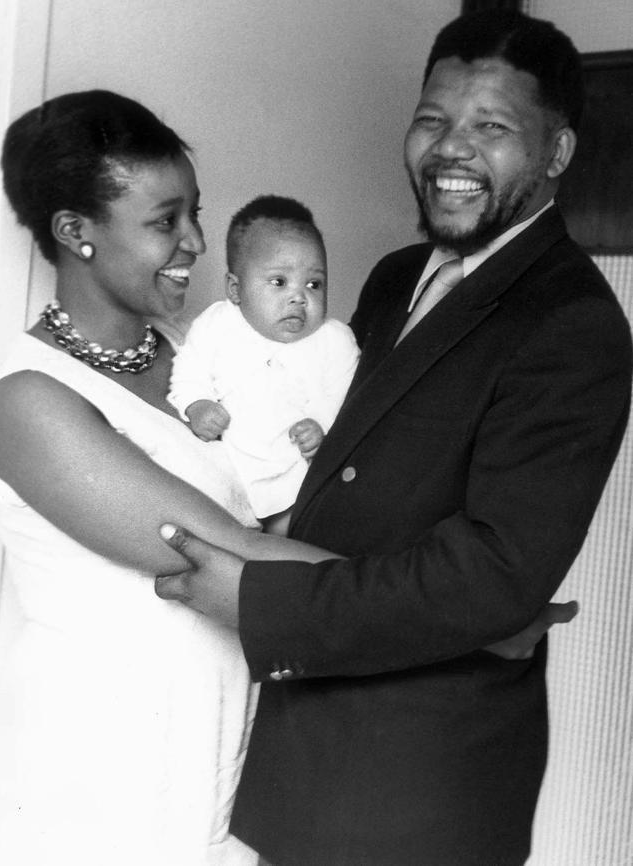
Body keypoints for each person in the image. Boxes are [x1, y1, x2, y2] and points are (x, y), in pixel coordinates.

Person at [154, 10, 633, 866]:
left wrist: (265, 600)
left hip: (424, 780)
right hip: (304, 743)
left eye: (492, 126)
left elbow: (492, 574)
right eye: (432, 120)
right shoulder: (391, 279)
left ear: (557, 152)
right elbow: (353, 474)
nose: (451, 149)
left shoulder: (575, 323)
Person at [0, 89, 349, 866]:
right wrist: (459, 614)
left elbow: (284, 505)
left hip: (220, 737)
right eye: (165, 221)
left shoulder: (201, 353)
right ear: (75, 232)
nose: (196, 241)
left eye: (194, 213)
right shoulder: (27, 401)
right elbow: (220, 549)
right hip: (103, 773)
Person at [168, 195, 359, 525]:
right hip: (233, 471)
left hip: (301, 476)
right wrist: (197, 404)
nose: (299, 297)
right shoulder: (218, 324)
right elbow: (188, 372)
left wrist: (322, 423)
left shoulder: (334, 340)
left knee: (304, 531)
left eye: (314, 284)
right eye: (279, 282)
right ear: (235, 290)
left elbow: (347, 397)